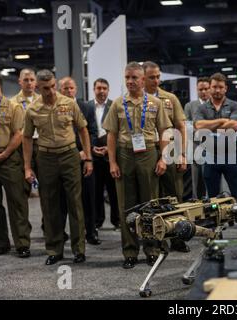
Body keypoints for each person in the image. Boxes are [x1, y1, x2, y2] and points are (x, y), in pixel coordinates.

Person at [103, 62, 172, 268]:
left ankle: (151, 249)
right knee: (127, 206)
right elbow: (111, 135)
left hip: (148, 154)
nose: (130, 81)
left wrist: (163, 158)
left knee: (150, 204)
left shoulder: (155, 103)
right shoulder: (117, 104)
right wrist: (112, 162)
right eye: (127, 78)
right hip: (125, 155)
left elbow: (165, 133)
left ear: (143, 80)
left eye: (134, 78)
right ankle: (130, 251)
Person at [23, 70, 92, 265]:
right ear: (38, 88)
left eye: (53, 86)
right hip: (45, 158)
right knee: (49, 204)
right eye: (46, 88)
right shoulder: (33, 109)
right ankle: (54, 249)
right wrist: (28, 167)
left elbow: (83, 130)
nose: (51, 91)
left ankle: (79, 249)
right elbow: (27, 138)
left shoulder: (69, 103)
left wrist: (88, 158)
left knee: (75, 203)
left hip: (70, 155)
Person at [142, 61, 189, 252]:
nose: (156, 80)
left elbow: (181, 127)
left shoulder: (169, 99)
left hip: (169, 150)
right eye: (151, 77)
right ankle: (157, 240)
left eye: (157, 76)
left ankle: (178, 238)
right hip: (146, 151)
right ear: (143, 77)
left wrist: (182, 154)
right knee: (152, 198)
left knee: (173, 197)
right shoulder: (138, 100)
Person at [0, 71, 31, 258]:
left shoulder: (13, 107)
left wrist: (3, 155)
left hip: (8, 160)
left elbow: (18, 134)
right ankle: (1, 243)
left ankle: (22, 243)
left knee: (17, 202)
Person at [195, 73, 237, 209]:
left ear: (225, 88)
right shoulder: (201, 108)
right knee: (212, 198)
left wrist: (210, 125)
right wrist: (223, 121)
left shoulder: (234, 106)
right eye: (214, 87)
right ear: (210, 88)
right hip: (210, 156)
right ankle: (214, 230)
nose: (217, 90)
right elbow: (198, 125)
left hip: (231, 155)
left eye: (220, 87)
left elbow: (234, 125)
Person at [59, 77, 100, 245]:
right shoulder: (57, 108)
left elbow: (93, 131)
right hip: (63, 159)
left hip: (85, 159)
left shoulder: (86, 107)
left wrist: (86, 151)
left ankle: (91, 232)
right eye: (65, 89)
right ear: (60, 90)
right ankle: (61, 234)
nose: (69, 91)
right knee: (62, 199)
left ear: (76, 89)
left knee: (88, 198)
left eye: (71, 88)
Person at [88, 78, 120, 230]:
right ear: (94, 89)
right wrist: (90, 148)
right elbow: (83, 130)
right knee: (96, 191)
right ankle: (97, 220)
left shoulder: (115, 106)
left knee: (114, 190)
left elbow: (119, 131)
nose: (101, 91)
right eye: (98, 88)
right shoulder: (86, 106)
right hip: (92, 153)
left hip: (111, 153)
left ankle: (117, 220)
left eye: (104, 88)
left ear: (108, 90)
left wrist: (109, 148)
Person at [10, 69, 40, 198]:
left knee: (46, 186)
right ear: (20, 82)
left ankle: (48, 218)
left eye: (32, 80)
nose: (29, 83)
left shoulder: (42, 99)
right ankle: (23, 218)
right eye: (26, 80)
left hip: (42, 144)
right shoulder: (12, 103)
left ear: (36, 82)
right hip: (21, 146)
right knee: (23, 188)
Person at [184, 77, 210, 199]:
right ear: (197, 90)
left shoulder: (215, 105)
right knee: (196, 181)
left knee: (213, 180)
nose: (203, 92)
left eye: (206, 89)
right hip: (196, 147)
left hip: (213, 148)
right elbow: (187, 126)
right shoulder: (190, 106)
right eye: (201, 89)